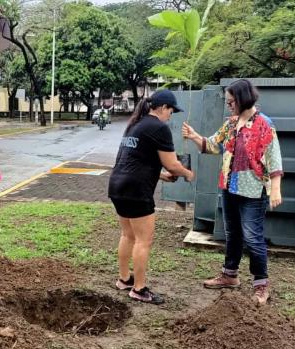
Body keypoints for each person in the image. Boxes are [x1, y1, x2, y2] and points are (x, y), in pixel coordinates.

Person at [182, 79, 283, 305]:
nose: (228, 106)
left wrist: (275, 189)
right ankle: (230, 275)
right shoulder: (231, 124)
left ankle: (261, 285)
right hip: (229, 187)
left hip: (254, 190)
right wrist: (194, 136)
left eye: (230, 102)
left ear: (242, 99)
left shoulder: (263, 124)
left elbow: (274, 158)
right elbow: (212, 145)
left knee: (253, 237)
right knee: (233, 234)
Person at [108, 89, 194, 304]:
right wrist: (187, 173)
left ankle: (124, 279)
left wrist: (163, 176)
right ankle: (139, 288)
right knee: (143, 241)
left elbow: (137, 160)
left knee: (128, 235)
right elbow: (172, 163)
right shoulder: (158, 127)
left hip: (118, 186)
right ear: (163, 108)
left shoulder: (135, 124)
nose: (170, 116)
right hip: (137, 191)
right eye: (171, 111)